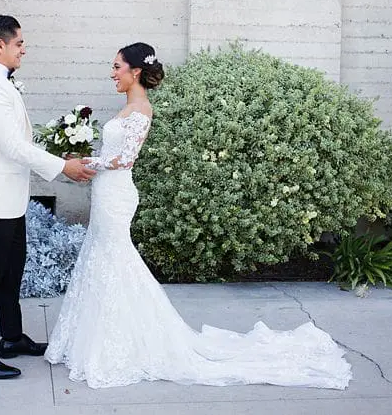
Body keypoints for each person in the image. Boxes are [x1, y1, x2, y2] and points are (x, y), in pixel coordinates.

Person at [44, 42, 352, 390]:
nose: (112, 73)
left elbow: (125, 160)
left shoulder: (141, 109)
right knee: (102, 259)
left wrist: (87, 164)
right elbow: (112, 153)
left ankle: (133, 339)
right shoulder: (126, 108)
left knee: (116, 260)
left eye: (117, 67)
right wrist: (83, 155)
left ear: (136, 72)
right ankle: (100, 337)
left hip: (117, 195)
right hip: (105, 193)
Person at [0, 15, 96, 380]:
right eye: (19, 43)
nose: (24, 49)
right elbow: (13, 146)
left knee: (11, 272)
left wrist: (58, 157)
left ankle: (12, 338)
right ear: (0, 45)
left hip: (9, 198)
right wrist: (61, 169)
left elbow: (19, 141)